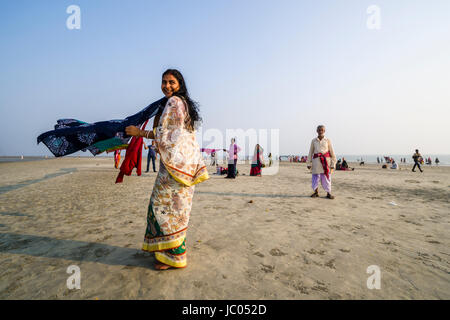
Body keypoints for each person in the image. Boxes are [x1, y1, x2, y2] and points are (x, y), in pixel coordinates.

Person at [125, 69, 209, 270]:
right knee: (178, 210)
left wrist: (140, 132)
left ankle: (172, 256)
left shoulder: (174, 103)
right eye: (164, 82)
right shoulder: (184, 104)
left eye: (171, 82)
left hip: (175, 168)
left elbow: (168, 134)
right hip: (185, 166)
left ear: (179, 83)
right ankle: (173, 253)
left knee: (161, 207)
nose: (167, 86)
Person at [307, 125, 337, 199]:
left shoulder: (328, 140)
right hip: (316, 161)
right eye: (319, 130)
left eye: (322, 130)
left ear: (324, 131)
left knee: (327, 177)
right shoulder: (313, 141)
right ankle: (316, 192)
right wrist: (308, 163)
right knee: (315, 177)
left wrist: (333, 163)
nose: (320, 131)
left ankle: (328, 193)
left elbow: (332, 152)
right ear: (317, 131)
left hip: (326, 161)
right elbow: (310, 152)